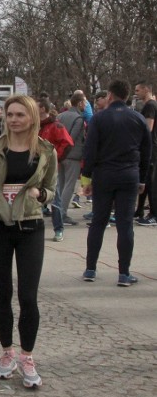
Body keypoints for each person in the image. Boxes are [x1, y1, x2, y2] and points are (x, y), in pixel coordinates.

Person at [0, 95, 57, 388]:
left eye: (20, 115)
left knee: (28, 295)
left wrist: (40, 195)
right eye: (10, 114)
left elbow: (51, 188)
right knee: (2, 292)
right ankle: (6, 352)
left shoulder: (46, 150)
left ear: (32, 117)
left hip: (31, 226)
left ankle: (27, 355)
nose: (13, 119)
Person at [82, 80, 151, 286]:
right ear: (128, 95)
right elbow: (146, 153)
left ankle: (90, 268)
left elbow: (90, 149)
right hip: (129, 174)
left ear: (110, 96)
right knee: (125, 224)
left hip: (104, 174)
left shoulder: (99, 119)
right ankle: (123, 273)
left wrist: (87, 177)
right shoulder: (138, 118)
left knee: (98, 222)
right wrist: (142, 179)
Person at [52, 94, 86, 242]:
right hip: (73, 155)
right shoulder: (78, 118)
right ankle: (62, 214)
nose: (85, 104)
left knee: (60, 185)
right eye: (84, 101)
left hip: (60, 155)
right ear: (79, 103)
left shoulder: (60, 115)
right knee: (69, 186)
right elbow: (71, 137)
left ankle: (57, 211)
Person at [133, 81, 157, 225]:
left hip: (151, 148)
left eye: (138, 90)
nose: (136, 93)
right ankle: (139, 210)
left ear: (146, 89)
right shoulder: (150, 105)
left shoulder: (150, 106)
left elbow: (148, 129)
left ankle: (153, 214)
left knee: (150, 181)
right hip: (150, 147)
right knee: (145, 180)